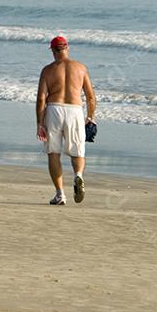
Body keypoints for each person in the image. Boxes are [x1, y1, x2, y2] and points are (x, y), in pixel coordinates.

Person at [36, 36, 96, 205]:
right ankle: (78, 175)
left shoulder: (48, 70)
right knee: (78, 151)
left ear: (53, 51)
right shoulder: (81, 68)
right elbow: (90, 97)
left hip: (54, 109)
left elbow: (41, 99)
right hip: (75, 110)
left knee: (53, 153)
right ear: (67, 48)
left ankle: (60, 194)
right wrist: (90, 117)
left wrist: (39, 123)